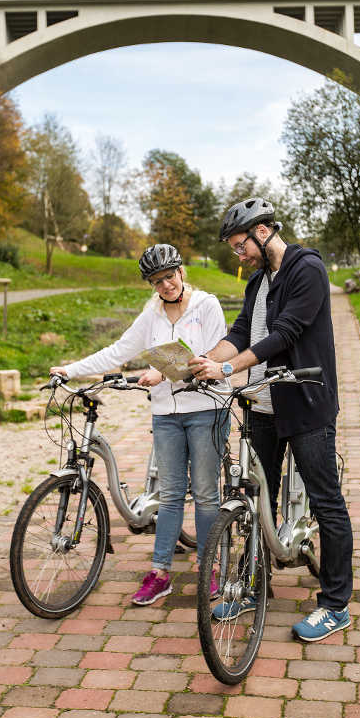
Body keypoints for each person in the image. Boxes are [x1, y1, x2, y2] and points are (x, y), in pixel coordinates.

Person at [188, 198, 353, 642]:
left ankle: (335, 605)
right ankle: (251, 585)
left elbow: (285, 334)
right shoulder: (258, 283)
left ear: (262, 231)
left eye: (240, 245)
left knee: (325, 500)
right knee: (255, 498)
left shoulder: (307, 269)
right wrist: (207, 359)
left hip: (305, 402)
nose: (238, 256)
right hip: (261, 403)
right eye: (233, 250)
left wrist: (228, 369)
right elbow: (242, 332)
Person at [50, 243, 230, 606]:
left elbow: (212, 356)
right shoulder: (153, 313)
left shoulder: (206, 305)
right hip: (166, 416)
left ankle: (209, 568)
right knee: (171, 495)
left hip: (207, 409)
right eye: (157, 281)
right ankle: (160, 572)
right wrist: (71, 368)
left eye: (170, 276)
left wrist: (161, 371)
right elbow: (119, 350)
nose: (166, 285)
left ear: (181, 272)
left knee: (207, 494)